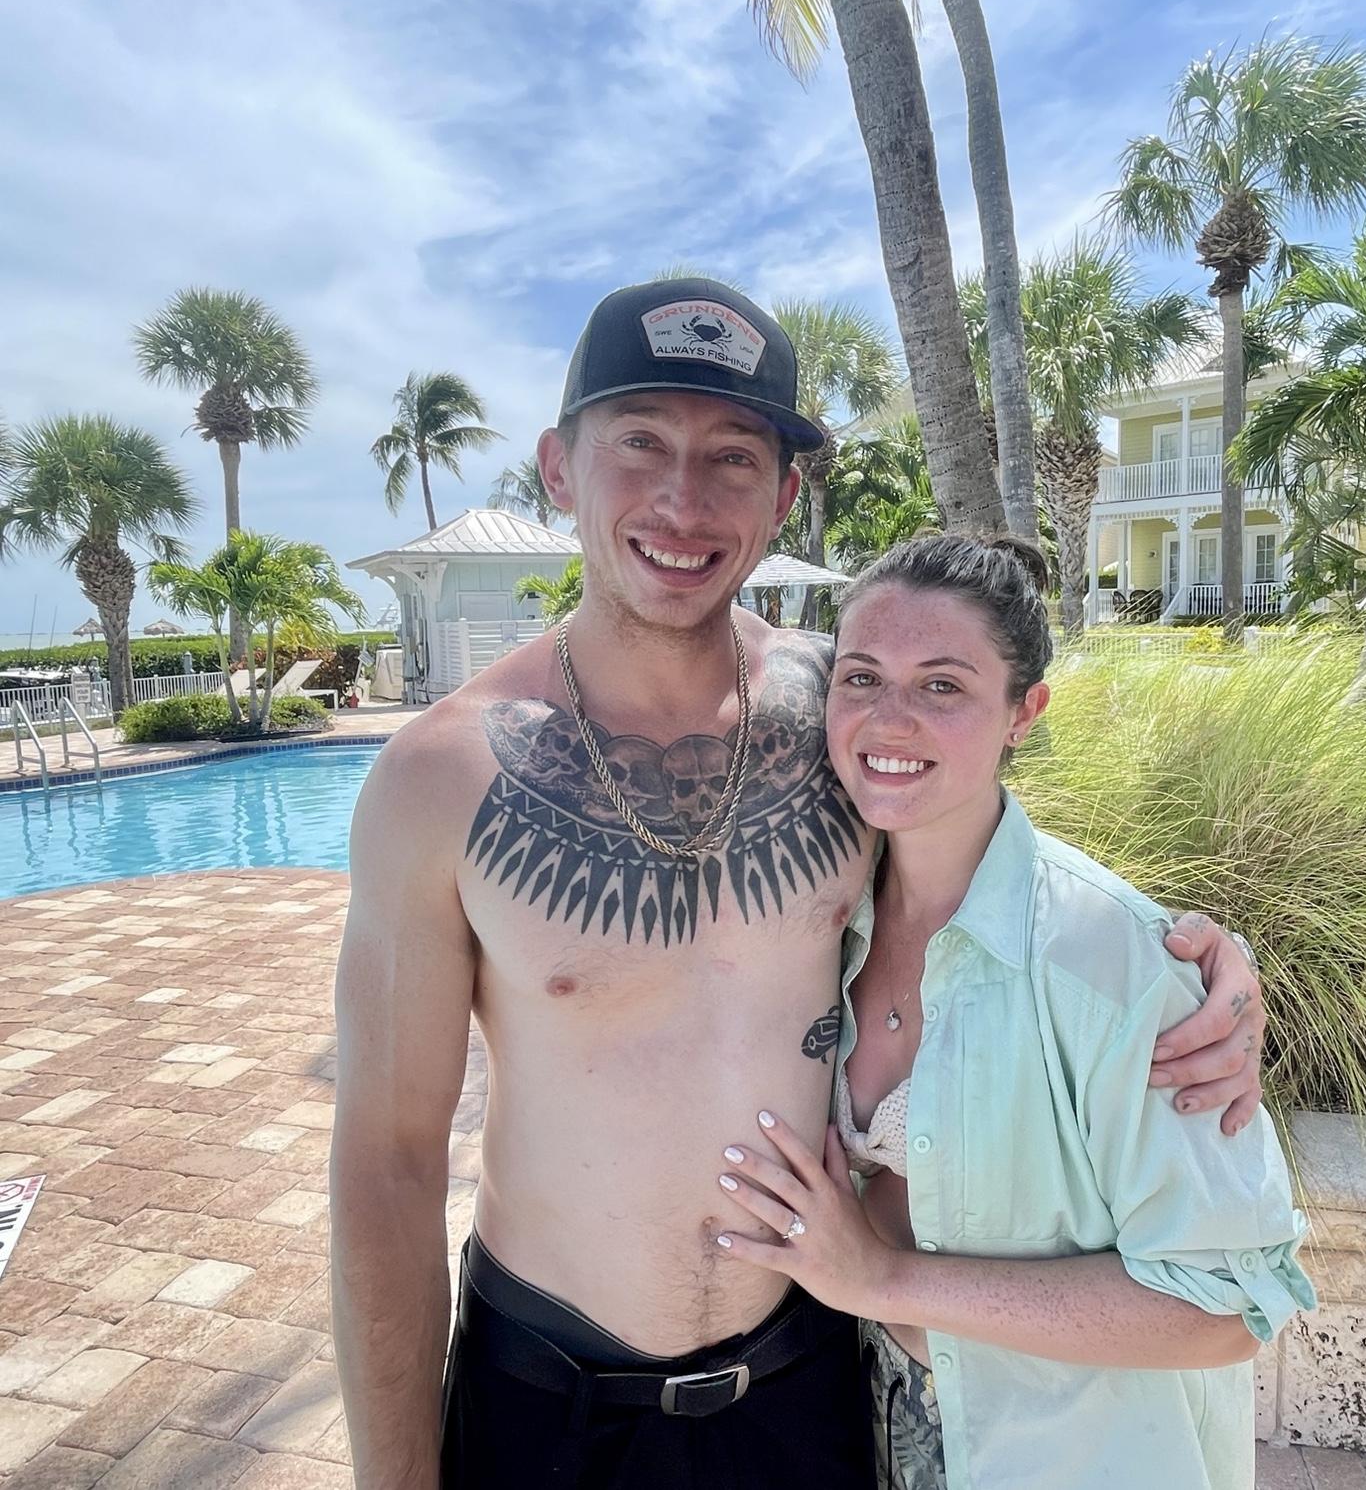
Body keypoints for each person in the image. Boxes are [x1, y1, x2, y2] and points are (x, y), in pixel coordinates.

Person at [329, 278, 1269, 1490]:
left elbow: (1001, 874)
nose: (683, 501)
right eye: (640, 443)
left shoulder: (845, 708)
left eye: (733, 456)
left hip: (809, 1379)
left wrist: (1199, 962)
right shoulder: (440, 778)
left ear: (783, 497)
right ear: (560, 468)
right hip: (552, 1399)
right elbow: (389, 1162)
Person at [713, 534, 1313, 1490]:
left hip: (1067, 1455)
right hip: (867, 1421)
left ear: (1023, 712)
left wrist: (881, 1279)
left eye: (943, 685)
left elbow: (1227, 1306)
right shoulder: (820, 922)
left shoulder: (1108, 961)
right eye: (862, 677)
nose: (890, 718)